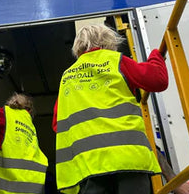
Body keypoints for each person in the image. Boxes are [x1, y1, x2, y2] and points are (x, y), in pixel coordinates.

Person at [54, 24, 169, 194]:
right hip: (129, 158)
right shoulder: (116, 61)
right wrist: (156, 56)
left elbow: (58, 125)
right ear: (108, 41)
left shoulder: (67, 77)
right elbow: (158, 80)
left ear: (78, 47)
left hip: (89, 164)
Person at [0, 93, 48, 193]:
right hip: (28, 185)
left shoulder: (3, 113)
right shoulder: (30, 125)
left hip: (2, 185)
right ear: (29, 110)